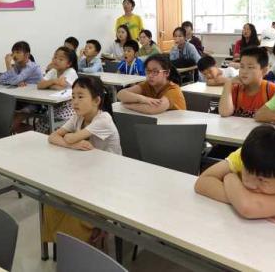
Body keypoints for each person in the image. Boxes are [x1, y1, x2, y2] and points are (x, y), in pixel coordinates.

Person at [43, 76, 121, 246]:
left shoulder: (104, 119)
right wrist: (73, 145)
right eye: (73, 97)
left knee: (75, 208)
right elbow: (53, 137)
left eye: (80, 96)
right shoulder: (78, 117)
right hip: (87, 172)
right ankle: (62, 243)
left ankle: (83, 241)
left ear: (96, 101)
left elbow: (70, 137)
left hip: (108, 179)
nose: (75, 102)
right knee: (52, 198)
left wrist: (71, 140)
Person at [194, 125, 275, 222]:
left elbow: (247, 208)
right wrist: (241, 200)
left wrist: (229, 178)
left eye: (262, 180)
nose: (250, 184)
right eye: (247, 172)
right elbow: (202, 182)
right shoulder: (249, 156)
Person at [219, 47, 275, 118]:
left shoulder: (271, 90)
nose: (244, 71)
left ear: (264, 71)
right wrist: (228, 83)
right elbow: (224, 113)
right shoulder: (235, 89)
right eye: (242, 66)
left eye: (250, 67)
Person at [117, 54, 186, 113]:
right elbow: (121, 94)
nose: (150, 75)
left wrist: (128, 105)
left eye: (155, 72)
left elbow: (154, 108)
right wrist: (143, 99)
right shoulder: (147, 85)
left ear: (166, 73)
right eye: (148, 71)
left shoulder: (173, 90)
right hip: (156, 121)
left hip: (175, 123)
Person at [36, 47, 79, 133]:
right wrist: (54, 81)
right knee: (42, 122)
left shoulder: (71, 71)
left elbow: (61, 87)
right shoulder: (53, 71)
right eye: (55, 57)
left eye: (61, 59)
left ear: (69, 63)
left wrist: (48, 85)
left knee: (52, 125)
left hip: (70, 107)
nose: (56, 60)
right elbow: (40, 85)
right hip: (55, 106)